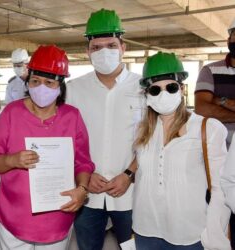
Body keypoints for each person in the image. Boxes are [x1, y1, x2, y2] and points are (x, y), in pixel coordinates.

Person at [0, 45, 95, 250]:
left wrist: (82, 189)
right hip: (14, 218)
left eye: (49, 83)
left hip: (57, 217)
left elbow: (83, 162)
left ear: (61, 85)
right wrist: (11, 160)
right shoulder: (11, 113)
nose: (41, 88)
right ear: (28, 81)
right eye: (35, 81)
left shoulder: (72, 116)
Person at [133, 51, 230, 249]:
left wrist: (214, 233)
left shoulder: (208, 128)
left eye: (170, 87)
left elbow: (220, 189)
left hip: (189, 234)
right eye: (155, 90)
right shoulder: (141, 131)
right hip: (145, 230)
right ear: (146, 95)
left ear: (182, 89)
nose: (163, 94)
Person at [66, 8, 144, 249]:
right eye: (96, 47)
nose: (104, 52)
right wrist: (83, 176)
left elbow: (152, 139)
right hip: (88, 194)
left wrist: (129, 174)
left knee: (133, 247)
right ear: (87, 51)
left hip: (131, 194)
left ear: (123, 48)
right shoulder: (72, 90)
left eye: (111, 45)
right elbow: (64, 140)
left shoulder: (143, 88)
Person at [195, 18, 235, 248]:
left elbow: (212, 106)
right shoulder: (210, 70)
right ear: (229, 38)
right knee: (216, 227)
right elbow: (202, 108)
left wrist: (222, 101)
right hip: (216, 164)